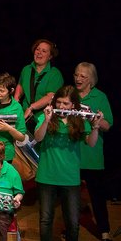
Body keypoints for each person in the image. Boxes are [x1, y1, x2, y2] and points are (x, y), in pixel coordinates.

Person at [34, 85, 101, 241]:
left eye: (66, 104)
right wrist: (46, 120)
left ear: (73, 105)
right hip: (47, 176)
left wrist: (95, 126)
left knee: (72, 222)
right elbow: (38, 138)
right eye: (59, 102)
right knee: (45, 220)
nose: (61, 107)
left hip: (70, 178)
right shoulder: (46, 116)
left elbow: (91, 143)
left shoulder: (78, 120)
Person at [74, 62, 114, 241]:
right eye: (76, 75)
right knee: (71, 198)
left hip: (92, 155)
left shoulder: (100, 97)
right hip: (72, 155)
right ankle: (71, 229)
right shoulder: (71, 95)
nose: (78, 78)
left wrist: (95, 120)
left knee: (97, 197)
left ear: (91, 79)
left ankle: (104, 231)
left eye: (83, 76)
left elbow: (107, 125)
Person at [14, 39, 63, 131]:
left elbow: (50, 96)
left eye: (44, 51)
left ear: (50, 56)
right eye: (37, 49)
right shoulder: (26, 69)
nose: (39, 52)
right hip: (24, 116)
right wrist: (16, 99)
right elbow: (20, 85)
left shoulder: (55, 73)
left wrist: (32, 107)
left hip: (43, 117)